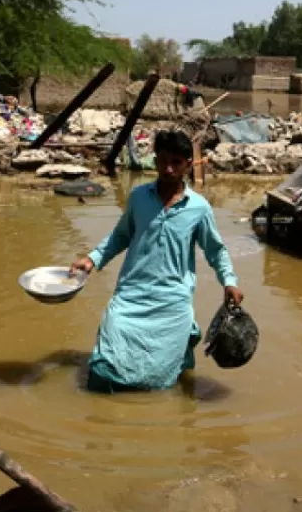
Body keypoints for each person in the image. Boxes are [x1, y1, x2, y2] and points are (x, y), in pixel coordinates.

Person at [70, 129, 244, 393]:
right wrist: (92, 259)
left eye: (176, 162)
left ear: (188, 164)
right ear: (155, 160)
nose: (169, 169)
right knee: (105, 360)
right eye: (163, 160)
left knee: (166, 376)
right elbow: (121, 235)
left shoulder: (199, 207)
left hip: (173, 301)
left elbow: (215, 250)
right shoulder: (139, 197)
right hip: (130, 296)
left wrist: (229, 281)